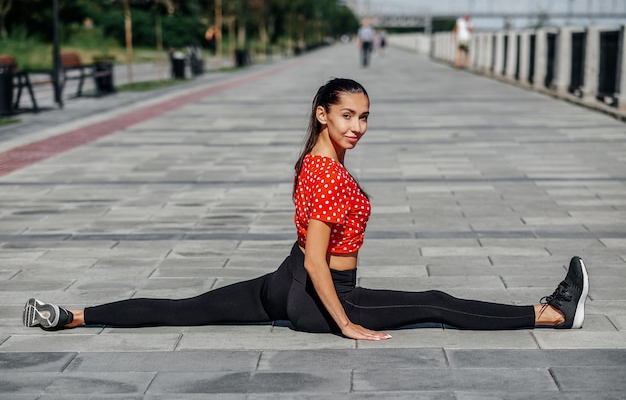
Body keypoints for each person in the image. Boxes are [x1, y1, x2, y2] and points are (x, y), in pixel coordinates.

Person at [23, 78, 589, 341]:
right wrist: (346, 325)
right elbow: (320, 262)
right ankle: (551, 314)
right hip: (319, 296)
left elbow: (306, 256)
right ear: (323, 114)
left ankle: (71, 316)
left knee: (187, 308)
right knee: (433, 302)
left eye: (364, 118)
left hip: (283, 279)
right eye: (348, 116)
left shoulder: (312, 163)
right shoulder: (326, 177)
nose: (358, 127)